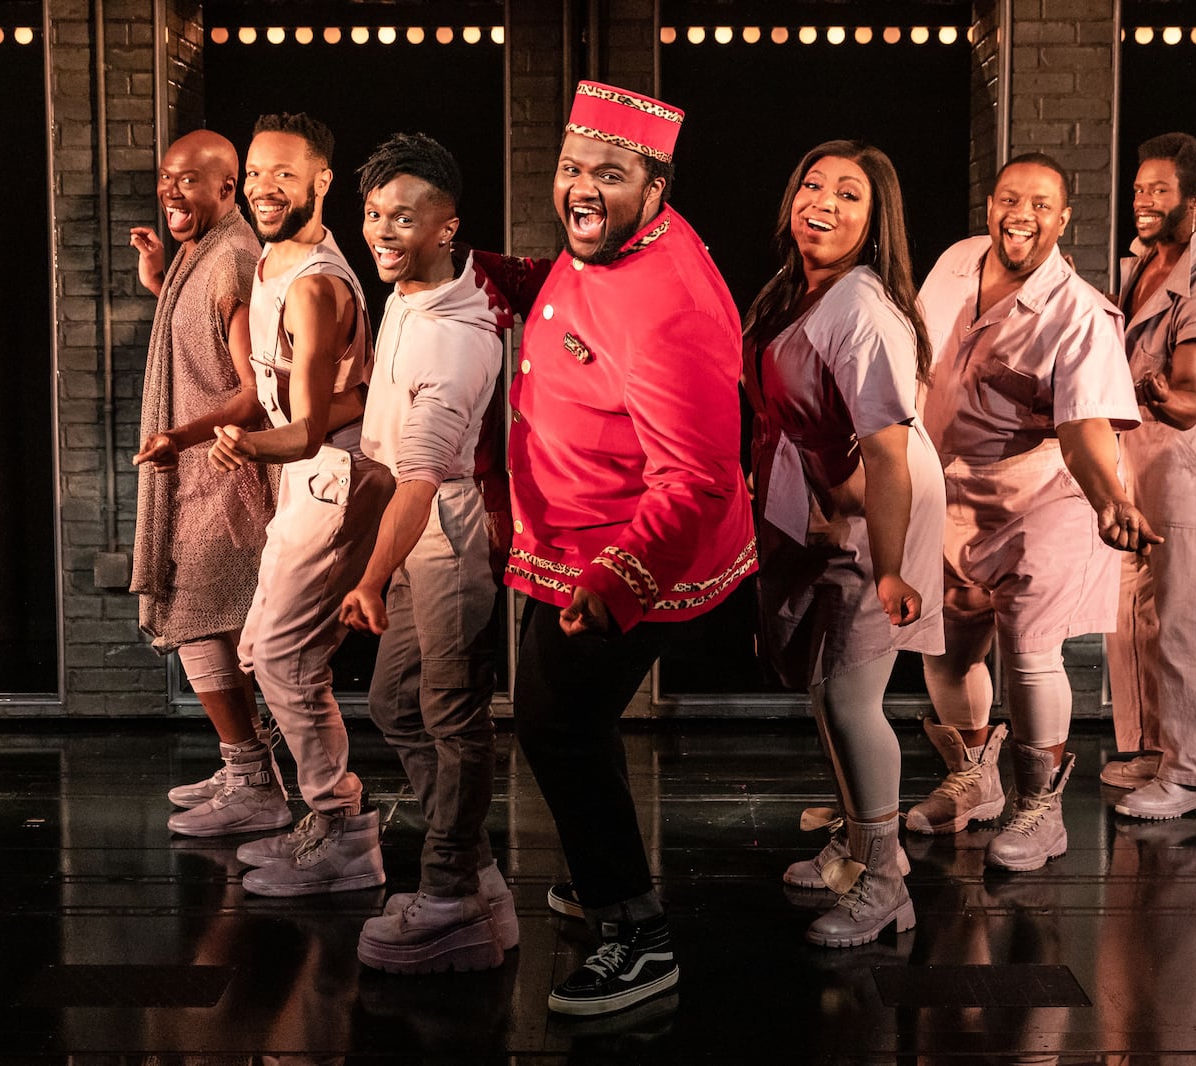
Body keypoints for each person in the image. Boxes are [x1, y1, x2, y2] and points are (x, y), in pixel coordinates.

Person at [477, 81, 756, 1016]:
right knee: (560, 728)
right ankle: (599, 879)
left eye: (608, 172)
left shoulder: (670, 303)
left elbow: (699, 477)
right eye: (570, 169)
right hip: (567, 531)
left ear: (657, 184)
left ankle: (637, 933)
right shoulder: (604, 250)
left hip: (623, 550)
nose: (580, 189)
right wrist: (513, 279)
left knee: (559, 728)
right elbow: (582, 310)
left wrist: (615, 578)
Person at [907, 153, 1160, 872]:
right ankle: (974, 781)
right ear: (990, 205)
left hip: (1044, 495)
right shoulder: (956, 262)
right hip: (950, 491)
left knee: (1027, 651)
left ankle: (1039, 810)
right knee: (949, 649)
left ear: (1064, 218)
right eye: (1011, 198)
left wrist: (1112, 502)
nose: (1022, 213)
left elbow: (1085, 430)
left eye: (1041, 203)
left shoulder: (1079, 313)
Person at [741, 141, 944, 947]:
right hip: (828, 507)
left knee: (855, 699)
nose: (823, 202)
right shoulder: (798, 290)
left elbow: (888, 453)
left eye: (849, 194)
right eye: (813, 183)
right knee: (827, 692)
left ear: (876, 219)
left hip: (875, 515)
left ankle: (888, 880)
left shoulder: (861, 306)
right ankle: (859, 845)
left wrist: (889, 565)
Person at [334, 133, 514, 973]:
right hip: (414, 539)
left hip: (447, 546)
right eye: (374, 214)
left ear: (448, 227)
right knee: (396, 707)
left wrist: (368, 578)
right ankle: (476, 873)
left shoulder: (457, 336)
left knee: (451, 717)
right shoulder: (409, 295)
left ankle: (450, 893)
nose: (383, 231)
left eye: (404, 217)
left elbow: (421, 482)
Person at [206, 113, 395, 896]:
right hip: (305, 475)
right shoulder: (272, 259)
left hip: (330, 475)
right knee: (264, 651)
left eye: (283, 174)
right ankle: (322, 813)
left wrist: (244, 444)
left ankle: (343, 829)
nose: (262, 187)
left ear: (321, 180)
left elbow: (313, 424)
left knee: (281, 657)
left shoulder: (315, 284)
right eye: (255, 172)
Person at [126, 130, 284, 838]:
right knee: (203, 619)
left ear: (228, 189)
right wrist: (162, 279)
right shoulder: (200, 255)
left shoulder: (235, 259)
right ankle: (244, 763)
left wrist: (181, 437)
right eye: (166, 178)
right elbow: (200, 337)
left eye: (189, 180)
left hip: (222, 475)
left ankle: (253, 775)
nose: (171, 191)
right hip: (193, 474)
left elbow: (252, 393)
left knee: (204, 617)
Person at [1104, 133, 1196, 820]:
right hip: (1136, 454)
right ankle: (1153, 748)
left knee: (1186, 613)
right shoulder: (1140, 264)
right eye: (1139, 189)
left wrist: (1147, 388)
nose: (1144, 201)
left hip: (1186, 458)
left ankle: (1192, 777)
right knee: (1132, 609)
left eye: (1160, 190)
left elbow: (1190, 402)